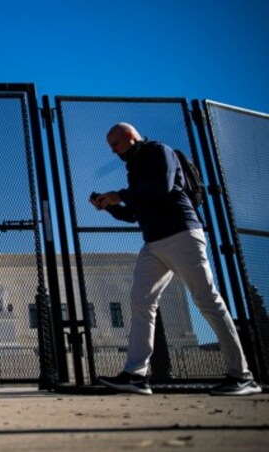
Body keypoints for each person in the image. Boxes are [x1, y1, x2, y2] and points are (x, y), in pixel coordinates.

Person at [90, 122, 261, 396]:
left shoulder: (158, 150)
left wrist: (119, 195)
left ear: (131, 137)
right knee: (141, 302)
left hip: (181, 234)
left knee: (207, 300)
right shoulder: (134, 169)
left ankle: (241, 375)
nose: (114, 152)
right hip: (154, 243)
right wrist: (109, 207)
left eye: (116, 145)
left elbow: (164, 186)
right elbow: (134, 214)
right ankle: (135, 374)